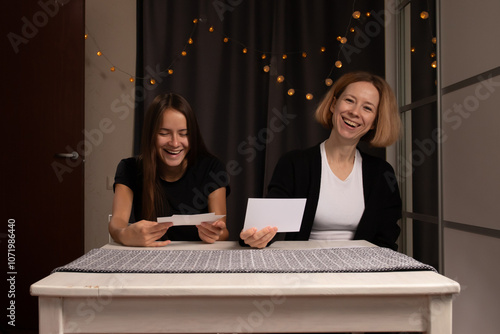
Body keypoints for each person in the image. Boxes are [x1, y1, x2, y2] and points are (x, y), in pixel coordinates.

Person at [240, 71, 402, 250]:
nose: (355, 112)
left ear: (374, 122)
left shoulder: (382, 173)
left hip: (360, 272)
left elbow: (386, 240)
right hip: (304, 270)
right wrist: (255, 237)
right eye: (349, 100)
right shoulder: (294, 164)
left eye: (367, 108)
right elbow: (266, 226)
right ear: (334, 104)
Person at [109, 93, 230, 247]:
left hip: (199, 258)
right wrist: (125, 234)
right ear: (151, 135)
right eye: (164, 133)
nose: (174, 143)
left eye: (184, 134)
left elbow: (223, 232)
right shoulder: (129, 168)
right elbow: (116, 225)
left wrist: (215, 234)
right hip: (151, 257)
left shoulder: (212, 168)